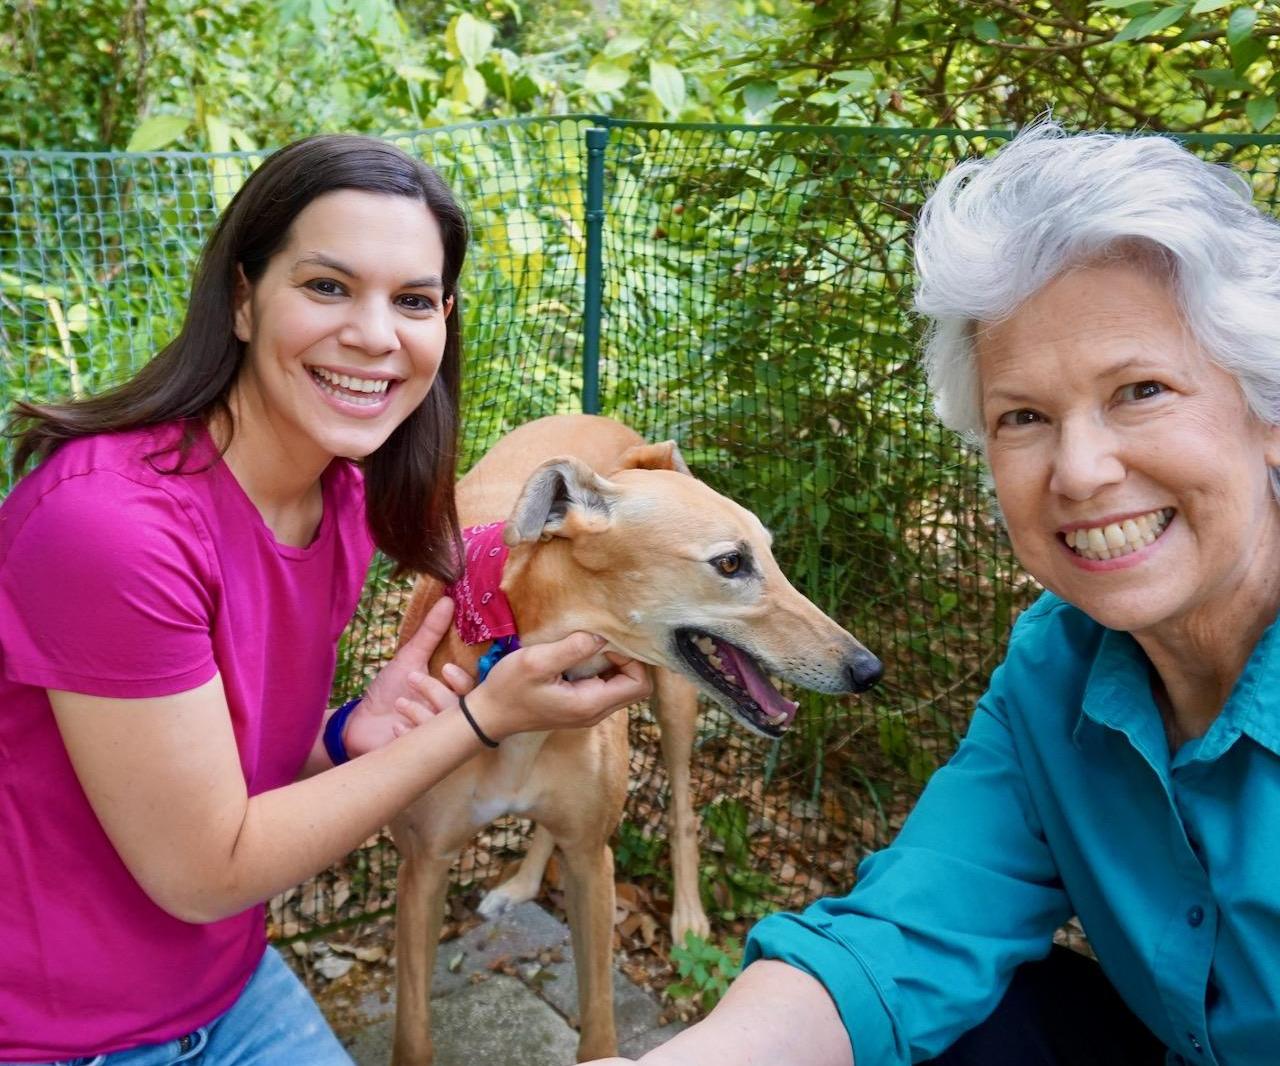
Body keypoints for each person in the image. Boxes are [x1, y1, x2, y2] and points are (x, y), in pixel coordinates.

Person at [587, 121, 1280, 1066]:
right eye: (1023, 416)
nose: (1080, 472)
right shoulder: (1057, 666)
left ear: (1266, 408)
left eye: (1142, 390)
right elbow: (909, 932)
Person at [0, 134, 650, 1065]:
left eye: (414, 301)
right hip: (55, 1034)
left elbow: (220, 764)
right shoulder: (110, 529)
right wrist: (472, 723)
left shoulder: (338, 500)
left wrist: (346, 736)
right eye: (328, 287)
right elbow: (202, 870)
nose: (377, 335)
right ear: (239, 299)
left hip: (223, 984)